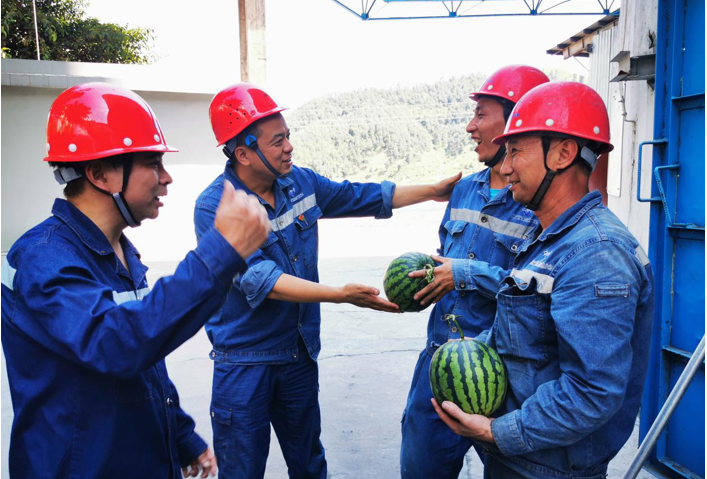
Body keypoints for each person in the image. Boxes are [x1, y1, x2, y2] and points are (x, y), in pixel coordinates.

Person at [1, 82, 271, 479]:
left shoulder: (121, 252)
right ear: (100, 174)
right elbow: (115, 343)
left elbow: (144, 361)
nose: (167, 178)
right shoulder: (43, 258)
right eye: (152, 163)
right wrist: (219, 254)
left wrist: (181, 435)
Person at [193, 82, 461, 479]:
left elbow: (361, 196)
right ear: (243, 153)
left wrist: (433, 191)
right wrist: (341, 294)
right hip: (245, 362)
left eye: (288, 136)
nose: (289, 148)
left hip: (297, 354)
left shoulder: (299, 183)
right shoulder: (215, 206)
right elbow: (263, 280)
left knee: (309, 464)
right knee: (241, 471)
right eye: (277, 141)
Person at [430, 82, 655, 479]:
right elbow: (523, 337)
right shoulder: (547, 238)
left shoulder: (597, 253)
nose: (505, 168)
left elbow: (591, 391)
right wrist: (467, 350)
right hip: (521, 459)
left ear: (563, 154)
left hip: (548, 468)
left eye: (516, 151)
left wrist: (498, 432)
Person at [399, 65, 550, 479]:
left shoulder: (540, 203)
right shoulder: (465, 190)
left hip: (503, 374)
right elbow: (445, 260)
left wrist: (465, 273)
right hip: (439, 363)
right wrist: (424, 282)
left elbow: (541, 291)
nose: (471, 126)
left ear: (516, 120)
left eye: (481, 114)